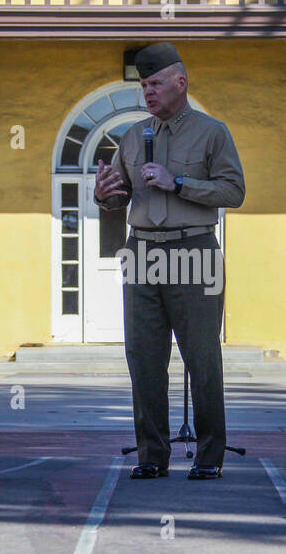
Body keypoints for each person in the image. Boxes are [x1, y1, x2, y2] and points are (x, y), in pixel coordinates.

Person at [93, 43, 245, 480]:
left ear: (181, 82)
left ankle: (208, 456)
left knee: (201, 357)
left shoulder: (212, 133)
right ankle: (152, 454)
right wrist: (104, 197)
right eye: (143, 85)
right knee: (143, 357)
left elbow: (233, 192)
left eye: (155, 83)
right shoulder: (131, 135)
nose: (148, 92)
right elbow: (118, 197)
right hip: (141, 251)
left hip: (192, 250)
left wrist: (177, 181)